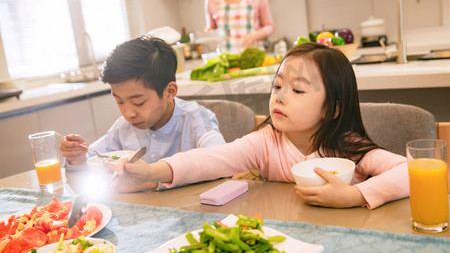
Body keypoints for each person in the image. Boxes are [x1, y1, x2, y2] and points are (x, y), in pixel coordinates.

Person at [108, 42, 409, 209]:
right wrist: (153, 171)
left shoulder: (349, 147)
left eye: (298, 90)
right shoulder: (266, 141)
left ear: (332, 108)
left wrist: (355, 196)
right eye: (277, 87)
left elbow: (413, 170)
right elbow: (213, 159)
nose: (280, 97)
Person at [60, 36, 226, 175]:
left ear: (169, 91)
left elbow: (221, 160)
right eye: (119, 101)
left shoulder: (197, 120)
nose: (128, 113)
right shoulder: (122, 129)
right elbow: (92, 159)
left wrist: (155, 175)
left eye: (138, 102)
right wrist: (78, 157)